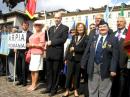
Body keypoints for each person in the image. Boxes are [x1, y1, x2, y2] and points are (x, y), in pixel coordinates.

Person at [81, 20, 118, 97]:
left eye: (104, 26)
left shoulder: (113, 39)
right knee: (92, 89)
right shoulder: (93, 38)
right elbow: (87, 51)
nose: (102, 28)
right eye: (100, 27)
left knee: (104, 90)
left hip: (106, 68)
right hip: (93, 66)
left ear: (108, 28)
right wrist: (83, 63)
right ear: (98, 29)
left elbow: (115, 55)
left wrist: (113, 69)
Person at [41, 12, 69, 96]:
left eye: (58, 18)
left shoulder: (65, 28)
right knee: (49, 72)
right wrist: (45, 31)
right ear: (54, 18)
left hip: (57, 54)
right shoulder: (51, 28)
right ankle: (49, 87)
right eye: (55, 18)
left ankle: (54, 89)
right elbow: (46, 39)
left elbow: (63, 40)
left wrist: (52, 42)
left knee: (56, 72)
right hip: (49, 53)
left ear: (61, 18)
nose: (57, 19)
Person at [62, 22, 88, 97]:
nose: (80, 29)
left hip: (79, 60)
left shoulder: (86, 37)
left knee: (77, 76)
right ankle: (67, 90)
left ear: (84, 29)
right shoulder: (74, 36)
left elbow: (85, 49)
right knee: (68, 75)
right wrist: (66, 58)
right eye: (78, 27)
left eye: (81, 27)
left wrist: (75, 49)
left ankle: (76, 90)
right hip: (70, 59)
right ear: (76, 28)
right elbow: (69, 48)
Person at [111, 16, 128, 97]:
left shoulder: (128, 33)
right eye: (117, 21)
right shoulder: (113, 34)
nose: (119, 23)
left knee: (123, 87)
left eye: (121, 21)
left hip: (124, 65)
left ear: (125, 23)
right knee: (114, 86)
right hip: (113, 66)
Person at [27, 20, 45, 91]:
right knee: (32, 69)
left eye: (39, 25)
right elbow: (30, 43)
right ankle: (32, 83)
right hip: (32, 53)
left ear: (41, 26)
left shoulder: (42, 34)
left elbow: (42, 44)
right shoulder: (33, 34)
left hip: (38, 53)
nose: (37, 26)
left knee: (36, 69)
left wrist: (32, 45)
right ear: (34, 26)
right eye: (36, 25)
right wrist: (28, 45)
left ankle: (34, 84)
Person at [16, 20, 32, 86]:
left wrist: (29, 46)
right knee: (18, 67)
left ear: (28, 26)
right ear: (22, 26)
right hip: (19, 52)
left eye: (26, 25)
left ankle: (24, 81)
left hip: (25, 52)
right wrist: (15, 48)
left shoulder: (31, 34)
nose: (25, 26)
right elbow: (15, 42)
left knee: (24, 68)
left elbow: (32, 43)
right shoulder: (18, 33)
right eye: (23, 25)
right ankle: (20, 80)